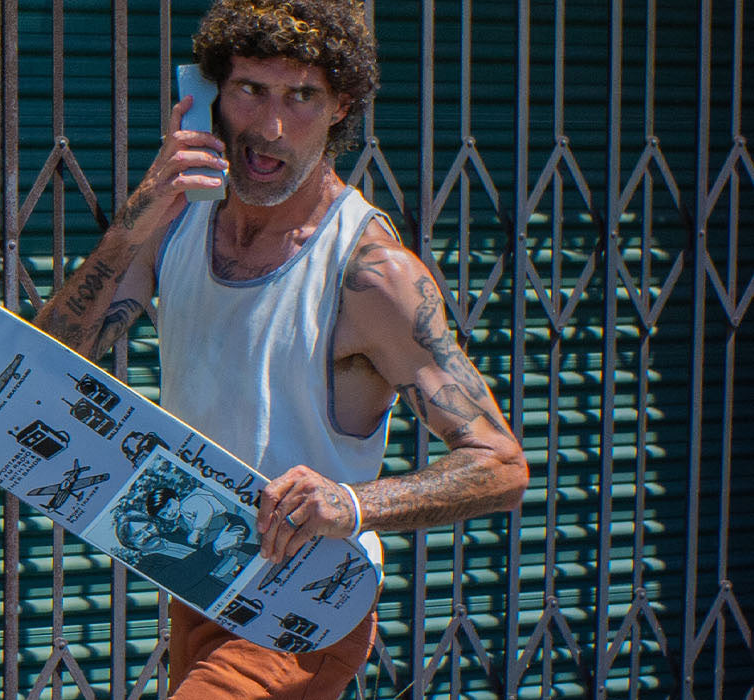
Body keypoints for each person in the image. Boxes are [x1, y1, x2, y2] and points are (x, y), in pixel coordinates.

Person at [29, 0, 531, 697]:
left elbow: (501, 466)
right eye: (249, 91)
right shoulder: (176, 229)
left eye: (301, 97)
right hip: (196, 578)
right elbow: (40, 364)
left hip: (305, 603)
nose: (269, 129)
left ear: (339, 107)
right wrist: (143, 209)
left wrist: (349, 504)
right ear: (205, 97)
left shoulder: (371, 274)